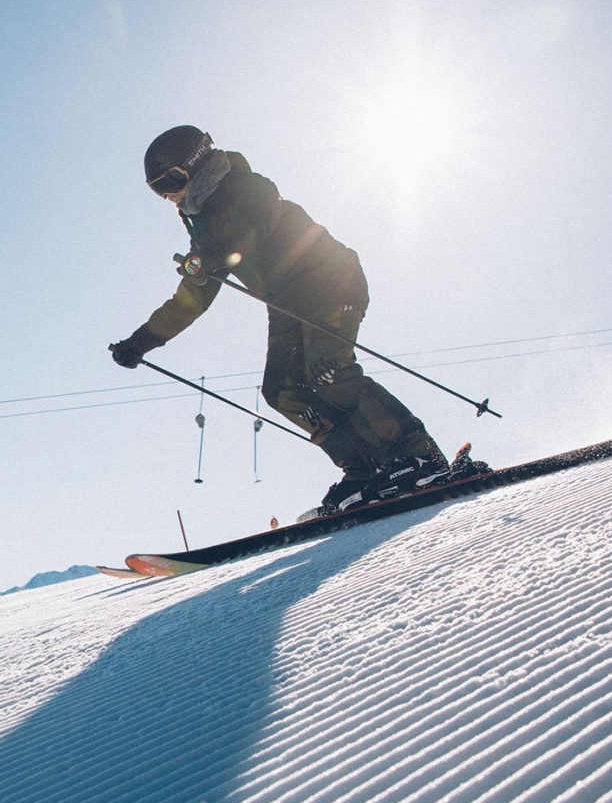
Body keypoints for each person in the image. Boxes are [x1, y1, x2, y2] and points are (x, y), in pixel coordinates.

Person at [111, 125, 460, 514]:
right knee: (283, 390)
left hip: (328, 283)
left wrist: (218, 256)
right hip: (285, 304)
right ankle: (364, 470)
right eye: (157, 190)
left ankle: (416, 456)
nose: (168, 195)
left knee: (327, 370)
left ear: (196, 165)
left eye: (170, 181)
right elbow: (192, 300)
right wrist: (139, 342)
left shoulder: (245, 186)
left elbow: (258, 223)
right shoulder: (203, 227)